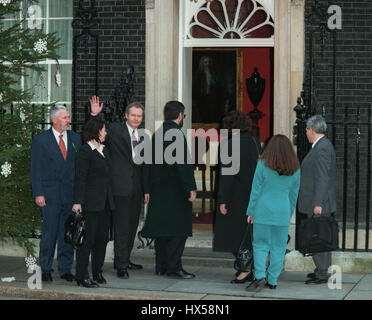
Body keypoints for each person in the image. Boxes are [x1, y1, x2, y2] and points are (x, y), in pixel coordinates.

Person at [90, 96, 150, 279]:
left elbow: (144, 165)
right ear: (126, 115)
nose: (136, 119)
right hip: (119, 187)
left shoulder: (144, 136)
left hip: (136, 189)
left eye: (139, 116)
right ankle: (121, 266)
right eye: (133, 115)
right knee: (122, 227)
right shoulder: (115, 130)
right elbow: (94, 133)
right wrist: (94, 114)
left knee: (132, 226)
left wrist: (146, 190)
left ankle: (125, 259)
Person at [141, 101, 197, 279]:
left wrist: (147, 188)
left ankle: (161, 265)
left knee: (162, 231)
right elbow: (183, 164)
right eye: (184, 115)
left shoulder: (157, 134)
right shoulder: (176, 134)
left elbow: (147, 164)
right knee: (177, 231)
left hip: (158, 190)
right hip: (175, 191)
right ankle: (174, 267)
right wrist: (191, 187)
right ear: (180, 115)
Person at [30, 105, 82, 282]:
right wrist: (39, 193)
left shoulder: (75, 138)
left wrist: (78, 198)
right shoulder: (41, 140)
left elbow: (79, 171)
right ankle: (45, 268)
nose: (68, 120)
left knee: (67, 234)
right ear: (54, 120)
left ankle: (65, 269)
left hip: (69, 195)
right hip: (49, 196)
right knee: (50, 233)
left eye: (68, 117)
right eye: (65, 117)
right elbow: (35, 169)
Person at [246, 135, 300, 290]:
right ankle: (273, 281)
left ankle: (260, 276)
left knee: (260, 245)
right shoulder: (295, 168)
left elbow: (255, 190)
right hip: (282, 211)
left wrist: (250, 211)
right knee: (278, 247)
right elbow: (293, 195)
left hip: (262, 210)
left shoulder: (262, 164)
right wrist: (288, 213)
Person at [213, 110, 261, 284]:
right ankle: (252, 267)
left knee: (235, 234)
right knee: (248, 233)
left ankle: (245, 269)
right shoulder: (255, 142)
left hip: (236, 195)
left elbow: (227, 176)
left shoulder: (229, 145)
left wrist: (222, 200)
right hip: (254, 194)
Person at [72, 119, 115, 288]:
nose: (106, 133)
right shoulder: (85, 151)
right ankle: (81, 276)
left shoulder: (105, 150)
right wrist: (78, 201)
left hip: (105, 204)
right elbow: (80, 178)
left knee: (102, 239)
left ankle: (97, 272)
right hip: (90, 204)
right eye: (104, 130)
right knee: (87, 241)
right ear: (96, 131)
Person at [298, 115, 336, 285]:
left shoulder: (322, 148)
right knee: (318, 236)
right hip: (316, 201)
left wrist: (318, 204)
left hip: (319, 202)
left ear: (311, 130)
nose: (305, 132)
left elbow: (322, 178)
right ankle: (320, 270)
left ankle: (323, 273)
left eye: (306, 129)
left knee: (319, 237)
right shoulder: (320, 146)